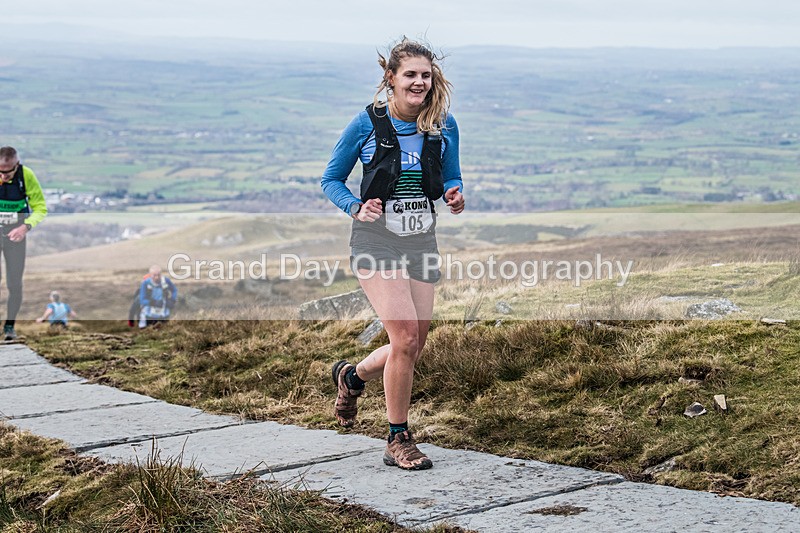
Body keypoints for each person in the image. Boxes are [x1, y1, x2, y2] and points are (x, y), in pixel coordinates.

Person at [321, 38, 465, 470]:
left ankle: (351, 376)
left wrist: (455, 195)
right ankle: (397, 438)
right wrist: (355, 206)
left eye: (426, 75)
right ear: (391, 79)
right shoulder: (366, 124)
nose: (419, 82)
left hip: (421, 239)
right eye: (411, 75)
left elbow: (452, 173)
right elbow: (331, 179)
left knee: (413, 344)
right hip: (375, 241)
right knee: (403, 339)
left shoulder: (443, 124)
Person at [0, 147, 48, 340]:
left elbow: (40, 208)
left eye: (8, 172)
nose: (3, 175)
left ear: (16, 165)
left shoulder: (26, 176)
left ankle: (10, 326)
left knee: (14, 284)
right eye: (0, 171)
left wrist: (25, 227)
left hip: (16, 235)